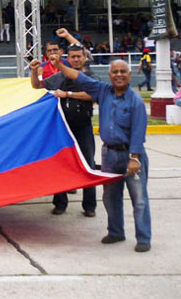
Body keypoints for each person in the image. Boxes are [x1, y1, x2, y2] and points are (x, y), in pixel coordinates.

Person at [49, 55, 152, 253]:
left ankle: (144, 237)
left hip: (131, 156)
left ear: (130, 76)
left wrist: (135, 158)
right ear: (109, 75)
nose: (119, 75)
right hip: (109, 155)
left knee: (139, 199)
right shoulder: (103, 91)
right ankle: (115, 232)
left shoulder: (136, 101)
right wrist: (59, 65)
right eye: (115, 72)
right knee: (110, 197)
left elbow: (139, 133)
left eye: (123, 72)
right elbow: (79, 77)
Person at [30, 45, 97, 217]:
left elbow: (93, 94)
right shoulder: (60, 76)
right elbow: (38, 86)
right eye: (72, 56)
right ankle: (60, 203)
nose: (76, 59)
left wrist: (67, 94)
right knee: (60, 164)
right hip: (62, 128)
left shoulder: (89, 76)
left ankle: (90, 206)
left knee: (88, 164)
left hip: (83, 127)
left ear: (84, 58)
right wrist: (34, 71)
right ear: (68, 58)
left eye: (78, 57)